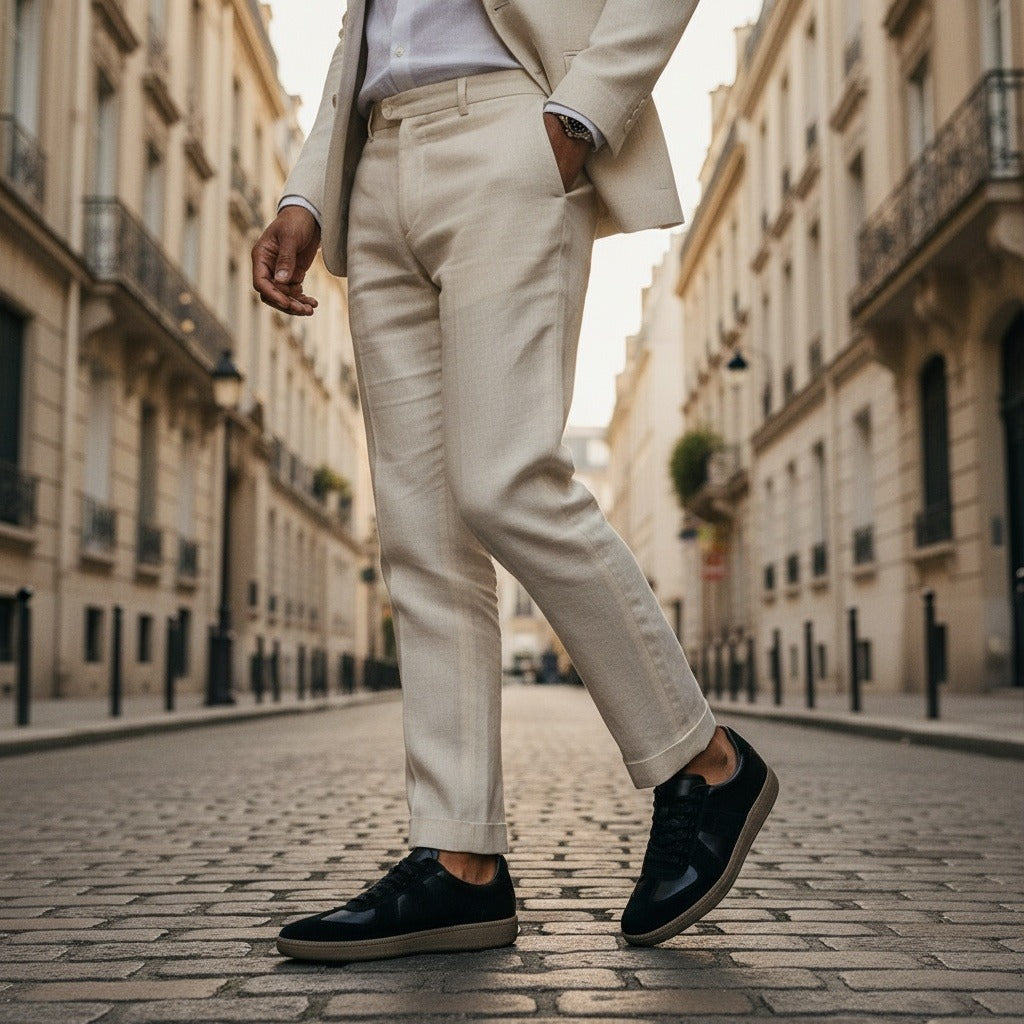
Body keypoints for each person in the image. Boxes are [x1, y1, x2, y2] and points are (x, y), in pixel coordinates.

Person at [251, 0, 778, 964]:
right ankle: (458, 863)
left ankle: (704, 760)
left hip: (511, 127)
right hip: (374, 165)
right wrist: (308, 195)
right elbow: (363, 33)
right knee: (421, 537)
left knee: (504, 481)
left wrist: (582, 115)